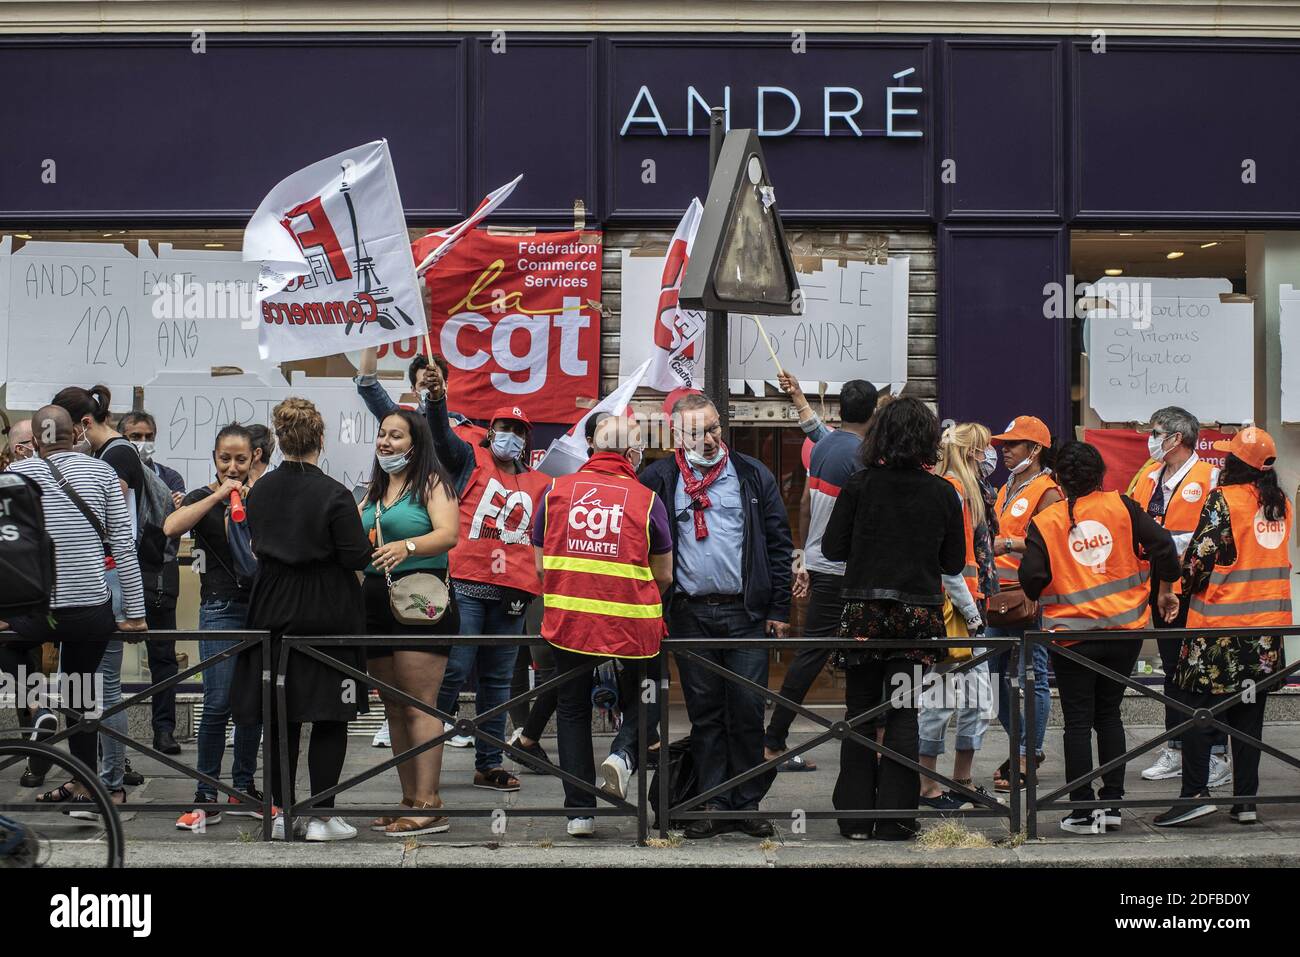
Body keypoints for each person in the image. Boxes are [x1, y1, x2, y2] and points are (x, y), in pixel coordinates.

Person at [640, 393, 793, 839]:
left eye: (713, 428)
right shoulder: (659, 478)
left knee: (746, 710)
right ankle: (710, 802)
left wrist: (779, 607)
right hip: (689, 615)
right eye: (696, 431)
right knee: (705, 714)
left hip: (746, 614)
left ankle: (746, 805)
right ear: (676, 433)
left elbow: (779, 545)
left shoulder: (750, 474)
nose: (708, 439)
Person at [821, 397, 965, 840]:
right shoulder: (942, 491)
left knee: (860, 711)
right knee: (904, 713)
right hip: (917, 616)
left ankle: (855, 818)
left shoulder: (861, 485)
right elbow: (954, 561)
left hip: (864, 614)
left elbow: (831, 549)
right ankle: (898, 820)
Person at [1018, 441, 1179, 835]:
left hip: (1073, 638)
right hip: (1124, 632)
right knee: (1109, 715)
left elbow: (1033, 578)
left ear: (1059, 479)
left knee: (1077, 721)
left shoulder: (1048, 520)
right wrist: (1164, 589)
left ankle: (1082, 810)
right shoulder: (1123, 506)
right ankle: (1112, 806)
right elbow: (1164, 547)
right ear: (1100, 474)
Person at [230, 398, 373, 842]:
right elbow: (356, 556)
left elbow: (256, 542)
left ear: (278, 441)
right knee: (331, 715)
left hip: (271, 604)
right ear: (320, 439)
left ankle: (278, 812)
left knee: (280, 715)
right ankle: (320, 817)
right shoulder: (334, 492)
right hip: (327, 610)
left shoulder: (262, 489)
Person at [1, 405, 147, 818]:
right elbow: (123, 545)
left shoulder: (17, 477)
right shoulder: (101, 472)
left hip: (38, 612)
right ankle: (86, 781)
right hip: (91, 611)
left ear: (39, 439)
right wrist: (134, 613)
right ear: (74, 434)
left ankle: (38, 705)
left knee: (11, 653)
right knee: (83, 695)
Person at [533, 415, 673, 836]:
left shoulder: (554, 492)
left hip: (569, 621)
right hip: (633, 625)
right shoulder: (647, 500)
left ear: (593, 449)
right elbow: (664, 573)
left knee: (572, 710)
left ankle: (579, 813)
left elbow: (541, 565)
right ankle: (625, 754)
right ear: (632, 454)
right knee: (649, 697)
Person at [1155, 427, 1292, 827]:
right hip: (1267, 632)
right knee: (1250, 716)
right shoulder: (1279, 503)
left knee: (1195, 709)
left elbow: (1199, 559)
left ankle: (1194, 794)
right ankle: (1245, 801)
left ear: (1235, 462)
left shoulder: (1223, 499)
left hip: (1220, 631)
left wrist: (1178, 587)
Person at [52, 384, 180, 806]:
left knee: (104, 687)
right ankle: (91, 777)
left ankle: (108, 784)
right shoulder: (114, 454)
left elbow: (118, 534)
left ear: (84, 425)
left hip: (113, 583)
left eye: (68, 432)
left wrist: (129, 604)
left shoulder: (116, 456)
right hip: (111, 581)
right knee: (90, 686)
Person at [423, 363, 548, 793]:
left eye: (517, 428)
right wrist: (437, 399)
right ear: (490, 430)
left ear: (527, 438)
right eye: (501, 426)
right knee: (454, 670)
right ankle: (426, 756)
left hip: (513, 592)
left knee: (497, 679)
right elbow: (440, 435)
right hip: (467, 584)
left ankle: (489, 763)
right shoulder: (468, 460)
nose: (508, 433)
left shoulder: (541, 482)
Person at [764, 374, 878, 772]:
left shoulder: (824, 446)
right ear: (875, 412)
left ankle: (776, 738)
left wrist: (807, 561)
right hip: (852, 572)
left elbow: (809, 506)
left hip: (822, 565)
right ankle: (775, 740)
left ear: (842, 410)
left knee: (814, 654)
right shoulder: (866, 458)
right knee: (856, 655)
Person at [359, 409, 460, 836]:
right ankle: (408, 800)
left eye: (396, 436)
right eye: (382, 434)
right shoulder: (373, 491)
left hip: (421, 598)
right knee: (394, 706)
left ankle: (430, 802)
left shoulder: (432, 483)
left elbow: (449, 533)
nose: (385, 442)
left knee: (420, 704)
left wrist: (408, 545)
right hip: (375, 603)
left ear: (415, 444)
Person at [162, 424, 266, 830]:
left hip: (258, 610)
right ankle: (205, 791)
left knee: (251, 706)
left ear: (254, 457)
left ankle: (244, 786)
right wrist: (221, 495)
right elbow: (172, 527)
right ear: (215, 457)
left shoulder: (262, 496)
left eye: (241, 458)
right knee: (218, 701)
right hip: (220, 608)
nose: (233, 466)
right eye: (226, 458)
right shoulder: (203, 496)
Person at [1129, 407, 1229, 787]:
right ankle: (1176, 746)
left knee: (1202, 671)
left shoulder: (1210, 476)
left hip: (1198, 588)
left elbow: (1216, 534)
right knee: (1172, 667)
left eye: (1155, 433)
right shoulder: (1149, 477)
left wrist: (1164, 541)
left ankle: (1216, 754)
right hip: (1159, 585)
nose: (1150, 439)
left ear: (1177, 438)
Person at [918, 422, 996, 810]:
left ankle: (960, 779)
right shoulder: (951, 491)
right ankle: (929, 785)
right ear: (970, 453)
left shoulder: (967, 491)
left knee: (977, 700)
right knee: (942, 698)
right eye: (983, 449)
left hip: (968, 606)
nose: (989, 457)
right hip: (956, 611)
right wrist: (972, 613)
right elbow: (952, 564)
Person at [987, 415, 1062, 791]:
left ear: (1034, 450)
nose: (1005, 449)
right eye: (1003, 443)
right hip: (997, 594)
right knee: (991, 675)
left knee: (1033, 676)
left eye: (1013, 443)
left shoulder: (1048, 491)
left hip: (1029, 595)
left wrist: (1010, 544)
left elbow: (1053, 544)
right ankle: (1024, 747)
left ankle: (1026, 754)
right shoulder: (1008, 486)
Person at [118, 411, 186, 507]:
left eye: (149, 437)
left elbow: (178, 514)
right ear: (121, 437)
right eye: (136, 436)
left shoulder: (170, 477)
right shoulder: (111, 473)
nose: (144, 441)